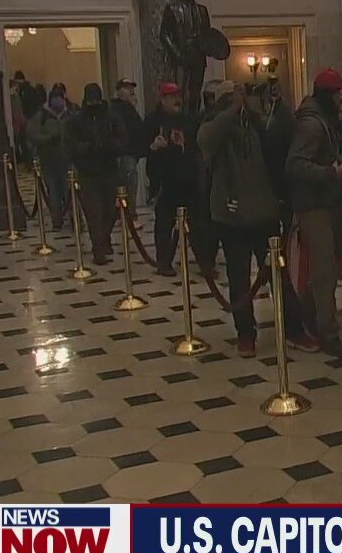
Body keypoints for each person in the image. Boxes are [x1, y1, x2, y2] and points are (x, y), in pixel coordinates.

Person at [199, 81, 321, 358]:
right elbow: (206, 138)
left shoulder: (255, 124)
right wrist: (232, 108)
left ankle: (294, 329)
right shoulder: (214, 125)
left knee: (280, 277)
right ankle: (246, 333)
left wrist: (274, 103)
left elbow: (281, 134)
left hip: (265, 213)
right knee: (238, 278)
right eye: (233, 96)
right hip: (231, 218)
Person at [287, 68, 342, 356]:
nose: (341, 100)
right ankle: (327, 332)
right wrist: (329, 173)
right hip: (313, 205)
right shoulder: (312, 124)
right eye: (338, 94)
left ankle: (301, 319)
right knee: (324, 270)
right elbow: (295, 164)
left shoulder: (322, 119)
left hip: (324, 202)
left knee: (327, 269)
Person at [146, 82, 206, 276]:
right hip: (166, 180)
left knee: (198, 223)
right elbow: (141, 146)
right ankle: (164, 261)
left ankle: (205, 262)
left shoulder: (187, 120)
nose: (176, 100)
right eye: (172, 97)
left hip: (188, 178)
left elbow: (196, 145)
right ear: (163, 99)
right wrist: (154, 148)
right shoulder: (153, 121)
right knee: (165, 223)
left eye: (178, 96)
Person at [65, 83, 125, 265]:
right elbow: (70, 145)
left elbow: (122, 140)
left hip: (108, 169)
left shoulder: (111, 117)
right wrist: (87, 148)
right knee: (93, 212)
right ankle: (98, 248)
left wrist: (106, 145)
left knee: (109, 210)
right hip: (88, 172)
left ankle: (103, 239)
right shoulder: (77, 120)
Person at [26, 89, 72, 230]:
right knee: (53, 191)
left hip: (67, 159)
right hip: (49, 160)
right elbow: (32, 135)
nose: (57, 101)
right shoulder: (41, 116)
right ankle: (56, 220)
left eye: (60, 97)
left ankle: (74, 218)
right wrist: (48, 139)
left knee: (70, 190)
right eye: (55, 98)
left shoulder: (70, 114)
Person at [109, 77, 145, 227]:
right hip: (124, 153)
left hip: (132, 152)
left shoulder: (130, 109)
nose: (130, 91)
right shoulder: (116, 109)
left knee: (128, 182)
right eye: (127, 88)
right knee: (128, 182)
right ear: (119, 91)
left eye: (131, 88)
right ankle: (129, 214)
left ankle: (126, 214)